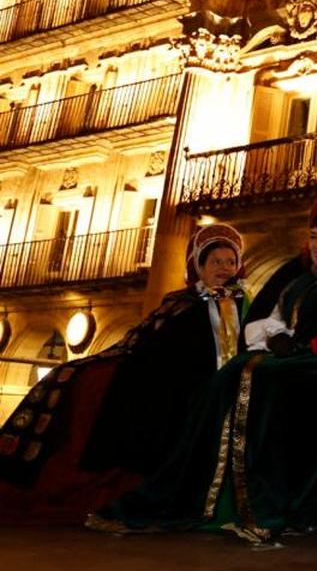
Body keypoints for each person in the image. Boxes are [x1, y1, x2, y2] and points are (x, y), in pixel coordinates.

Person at [90, 186, 317, 542]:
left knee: (256, 375)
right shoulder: (296, 277)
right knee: (238, 372)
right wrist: (276, 338)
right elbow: (268, 320)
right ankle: (203, 492)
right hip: (298, 360)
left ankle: (264, 503)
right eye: (314, 236)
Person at [0, 224, 247, 525]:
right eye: (216, 262)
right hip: (163, 380)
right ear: (200, 265)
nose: (224, 268)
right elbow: (144, 341)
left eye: (230, 262)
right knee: (72, 377)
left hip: (203, 387)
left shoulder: (242, 303)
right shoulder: (179, 301)